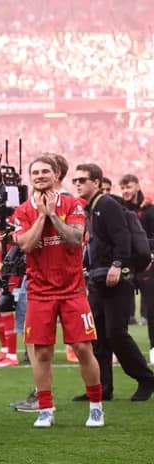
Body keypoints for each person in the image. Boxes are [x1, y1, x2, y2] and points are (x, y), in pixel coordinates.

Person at [12, 156, 104, 428]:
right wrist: (42, 215)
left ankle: (96, 407)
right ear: (30, 178)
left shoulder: (73, 205)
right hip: (39, 293)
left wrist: (53, 213)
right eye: (35, 172)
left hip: (73, 290)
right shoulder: (22, 211)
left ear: (56, 175)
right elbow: (26, 245)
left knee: (83, 348)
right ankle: (45, 409)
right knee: (41, 353)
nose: (40, 176)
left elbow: (75, 239)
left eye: (45, 172)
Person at [73, 164, 154, 401]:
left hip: (116, 278)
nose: (77, 184)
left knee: (116, 333)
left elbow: (122, 236)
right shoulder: (92, 207)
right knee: (98, 336)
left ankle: (146, 378)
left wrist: (118, 264)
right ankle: (103, 387)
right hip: (98, 278)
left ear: (96, 182)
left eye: (82, 180)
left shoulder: (106, 204)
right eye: (75, 180)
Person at [119, 174, 154, 350]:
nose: (125, 191)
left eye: (129, 187)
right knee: (119, 310)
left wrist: (144, 248)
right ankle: (118, 349)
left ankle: (153, 348)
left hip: (147, 265)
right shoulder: (118, 209)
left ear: (137, 186)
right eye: (123, 188)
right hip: (126, 265)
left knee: (152, 309)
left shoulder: (149, 210)